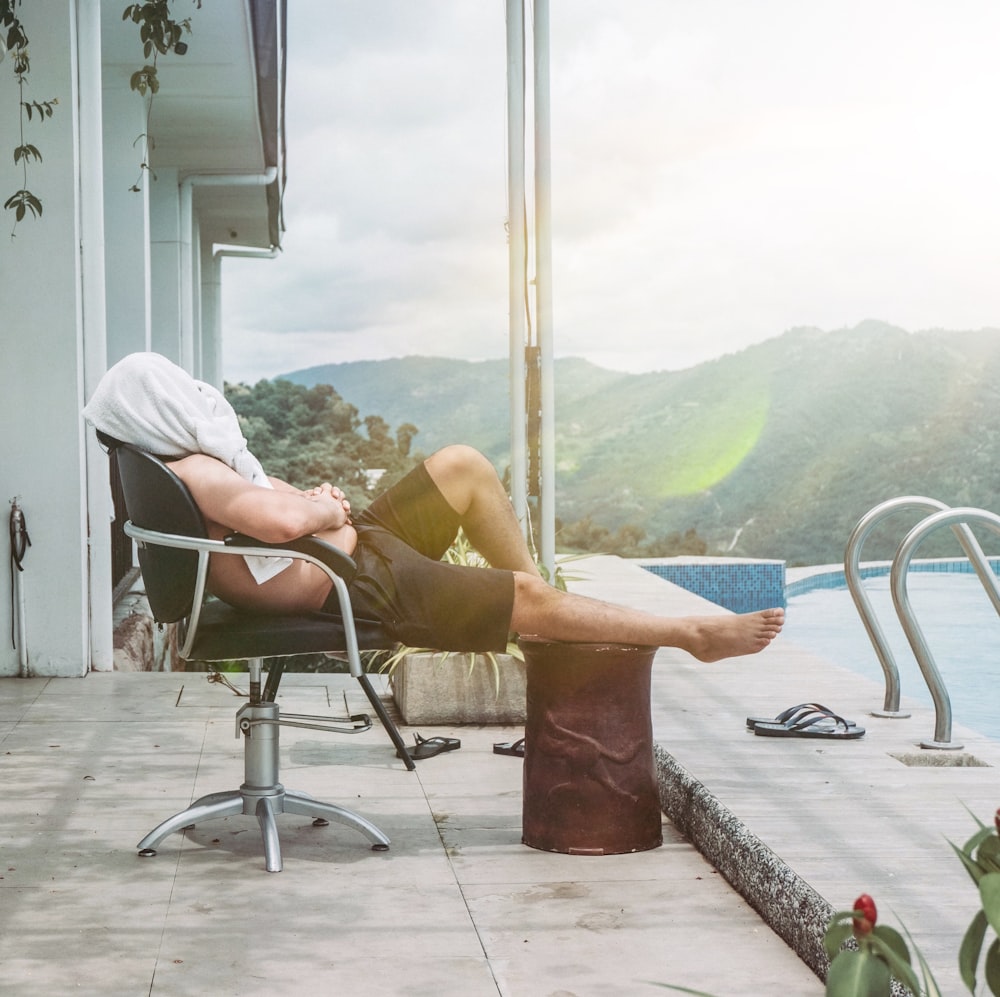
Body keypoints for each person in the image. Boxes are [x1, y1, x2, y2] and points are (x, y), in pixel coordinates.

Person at [84, 353, 784, 661]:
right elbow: (277, 524)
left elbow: (267, 512)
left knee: (462, 467)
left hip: (351, 554)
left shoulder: (174, 465)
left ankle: (540, 614)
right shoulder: (192, 469)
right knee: (524, 596)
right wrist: (323, 510)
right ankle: (690, 634)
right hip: (357, 587)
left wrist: (319, 507)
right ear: (160, 408)